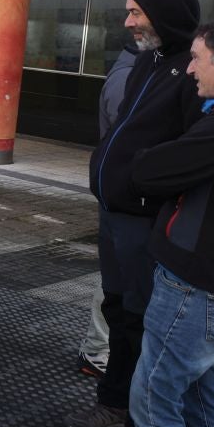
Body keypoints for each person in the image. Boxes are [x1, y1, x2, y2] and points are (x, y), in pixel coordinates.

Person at [66, 0, 201, 427]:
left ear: (163, 15)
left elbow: (190, 153)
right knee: (119, 313)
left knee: (145, 323)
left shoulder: (193, 70)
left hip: (148, 221)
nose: (127, 22)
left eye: (136, 13)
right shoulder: (148, 61)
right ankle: (112, 403)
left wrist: (145, 186)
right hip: (115, 214)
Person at [127, 15, 214, 427]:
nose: (190, 69)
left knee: (153, 400)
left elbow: (150, 170)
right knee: (206, 398)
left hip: (195, 290)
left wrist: (147, 152)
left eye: (197, 59)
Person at [79, 41, 137, 379]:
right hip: (123, 198)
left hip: (128, 197)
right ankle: (97, 350)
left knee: (121, 278)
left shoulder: (143, 72)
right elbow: (127, 140)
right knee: (115, 279)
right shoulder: (128, 76)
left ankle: (101, 350)